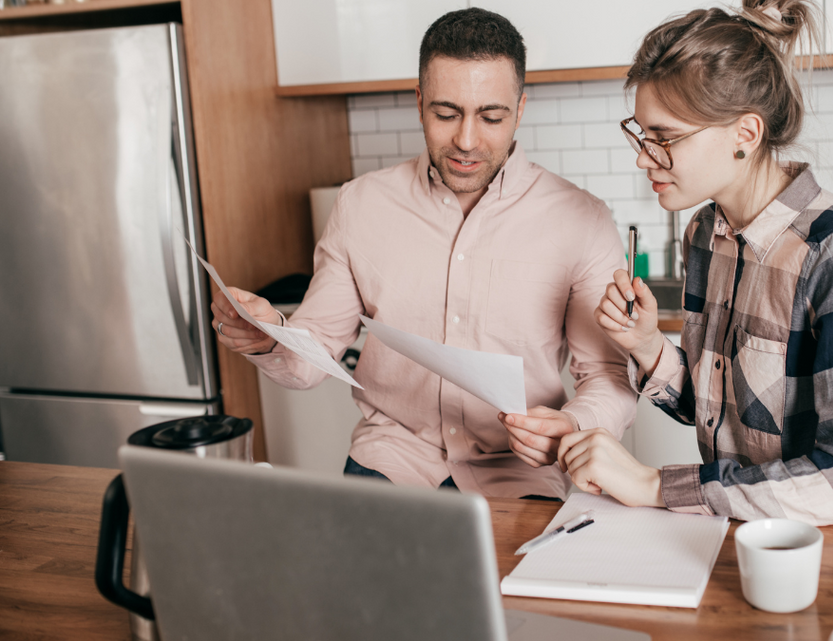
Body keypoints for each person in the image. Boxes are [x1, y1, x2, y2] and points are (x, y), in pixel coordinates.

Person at [211, 8, 636, 501]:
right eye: (446, 114)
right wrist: (268, 338)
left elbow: (608, 376)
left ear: (519, 110)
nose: (466, 141)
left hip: (520, 470)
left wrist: (573, 423)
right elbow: (314, 351)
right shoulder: (360, 204)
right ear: (419, 103)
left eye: (491, 117)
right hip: (391, 459)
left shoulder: (582, 219)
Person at [558, 0, 833, 525]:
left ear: (746, 134)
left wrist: (654, 485)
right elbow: (722, 413)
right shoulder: (704, 234)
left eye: (664, 138)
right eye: (642, 135)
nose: (643, 157)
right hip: (752, 532)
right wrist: (646, 346)